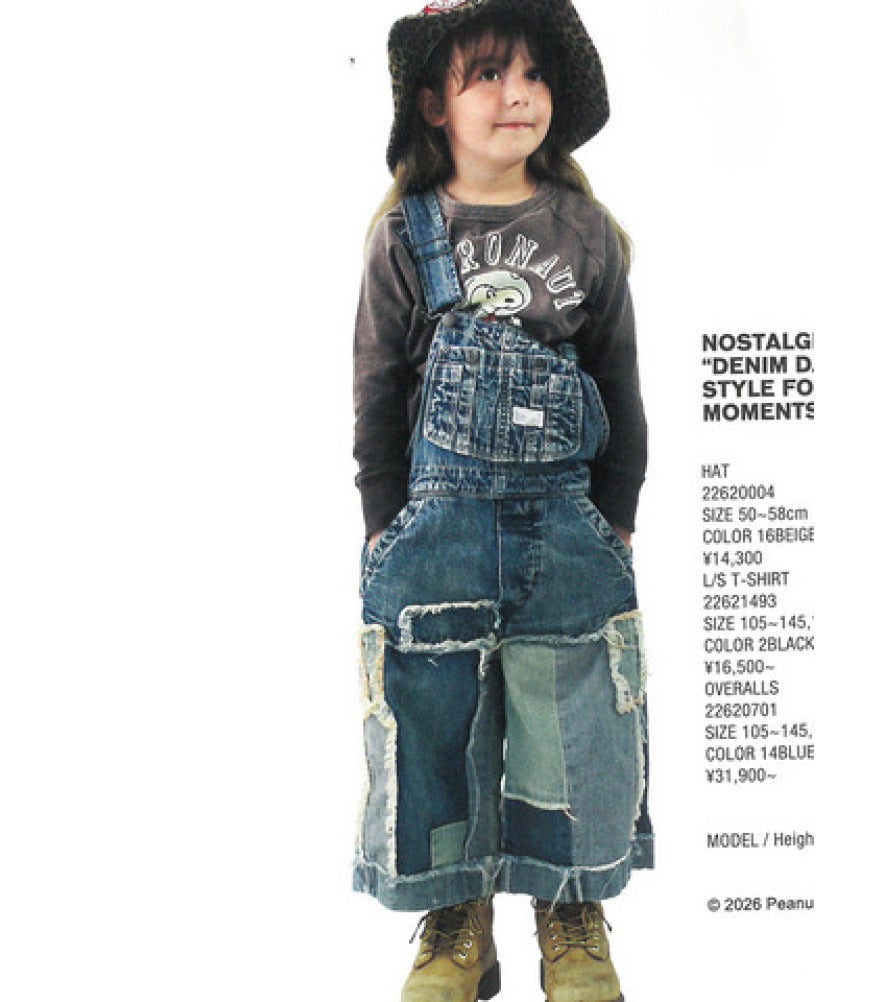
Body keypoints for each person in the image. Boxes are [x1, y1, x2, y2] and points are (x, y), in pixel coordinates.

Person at [352, 2, 651, 999]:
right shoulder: (405, 237)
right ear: (434, 103)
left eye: (533, 74)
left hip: (565, 527)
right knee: (439, 722)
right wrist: (385, 525)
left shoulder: (587, 233)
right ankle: (457, 917)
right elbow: (377, 395)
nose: (516, 93)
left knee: (573, 720)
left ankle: (571, 908)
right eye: (486, 73)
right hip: (434, 527)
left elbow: (618, 384)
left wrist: (615, 517)